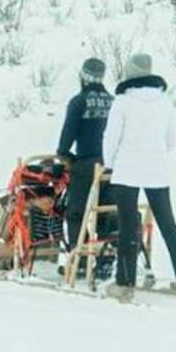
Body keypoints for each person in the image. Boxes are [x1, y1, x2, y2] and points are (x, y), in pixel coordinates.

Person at [101, 53, 176, 294]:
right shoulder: (164, 101)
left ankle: (125, 284)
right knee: (168, 223)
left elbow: (110, 138)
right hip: (157, 170)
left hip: (126, 170)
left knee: (128, 225)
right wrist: (155, 153)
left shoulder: (122, 101)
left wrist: (111, 163)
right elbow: (172, 139)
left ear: (130, 73)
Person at [56, 57, 114, 255]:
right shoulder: (113, 102)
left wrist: (65, 156)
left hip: (86, 165)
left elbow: (66, 139)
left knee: (76, 213)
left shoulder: (79, 102)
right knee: (106, 211)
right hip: (113, 165)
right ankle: (107, 256)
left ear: (83, 76)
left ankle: (80, 257)